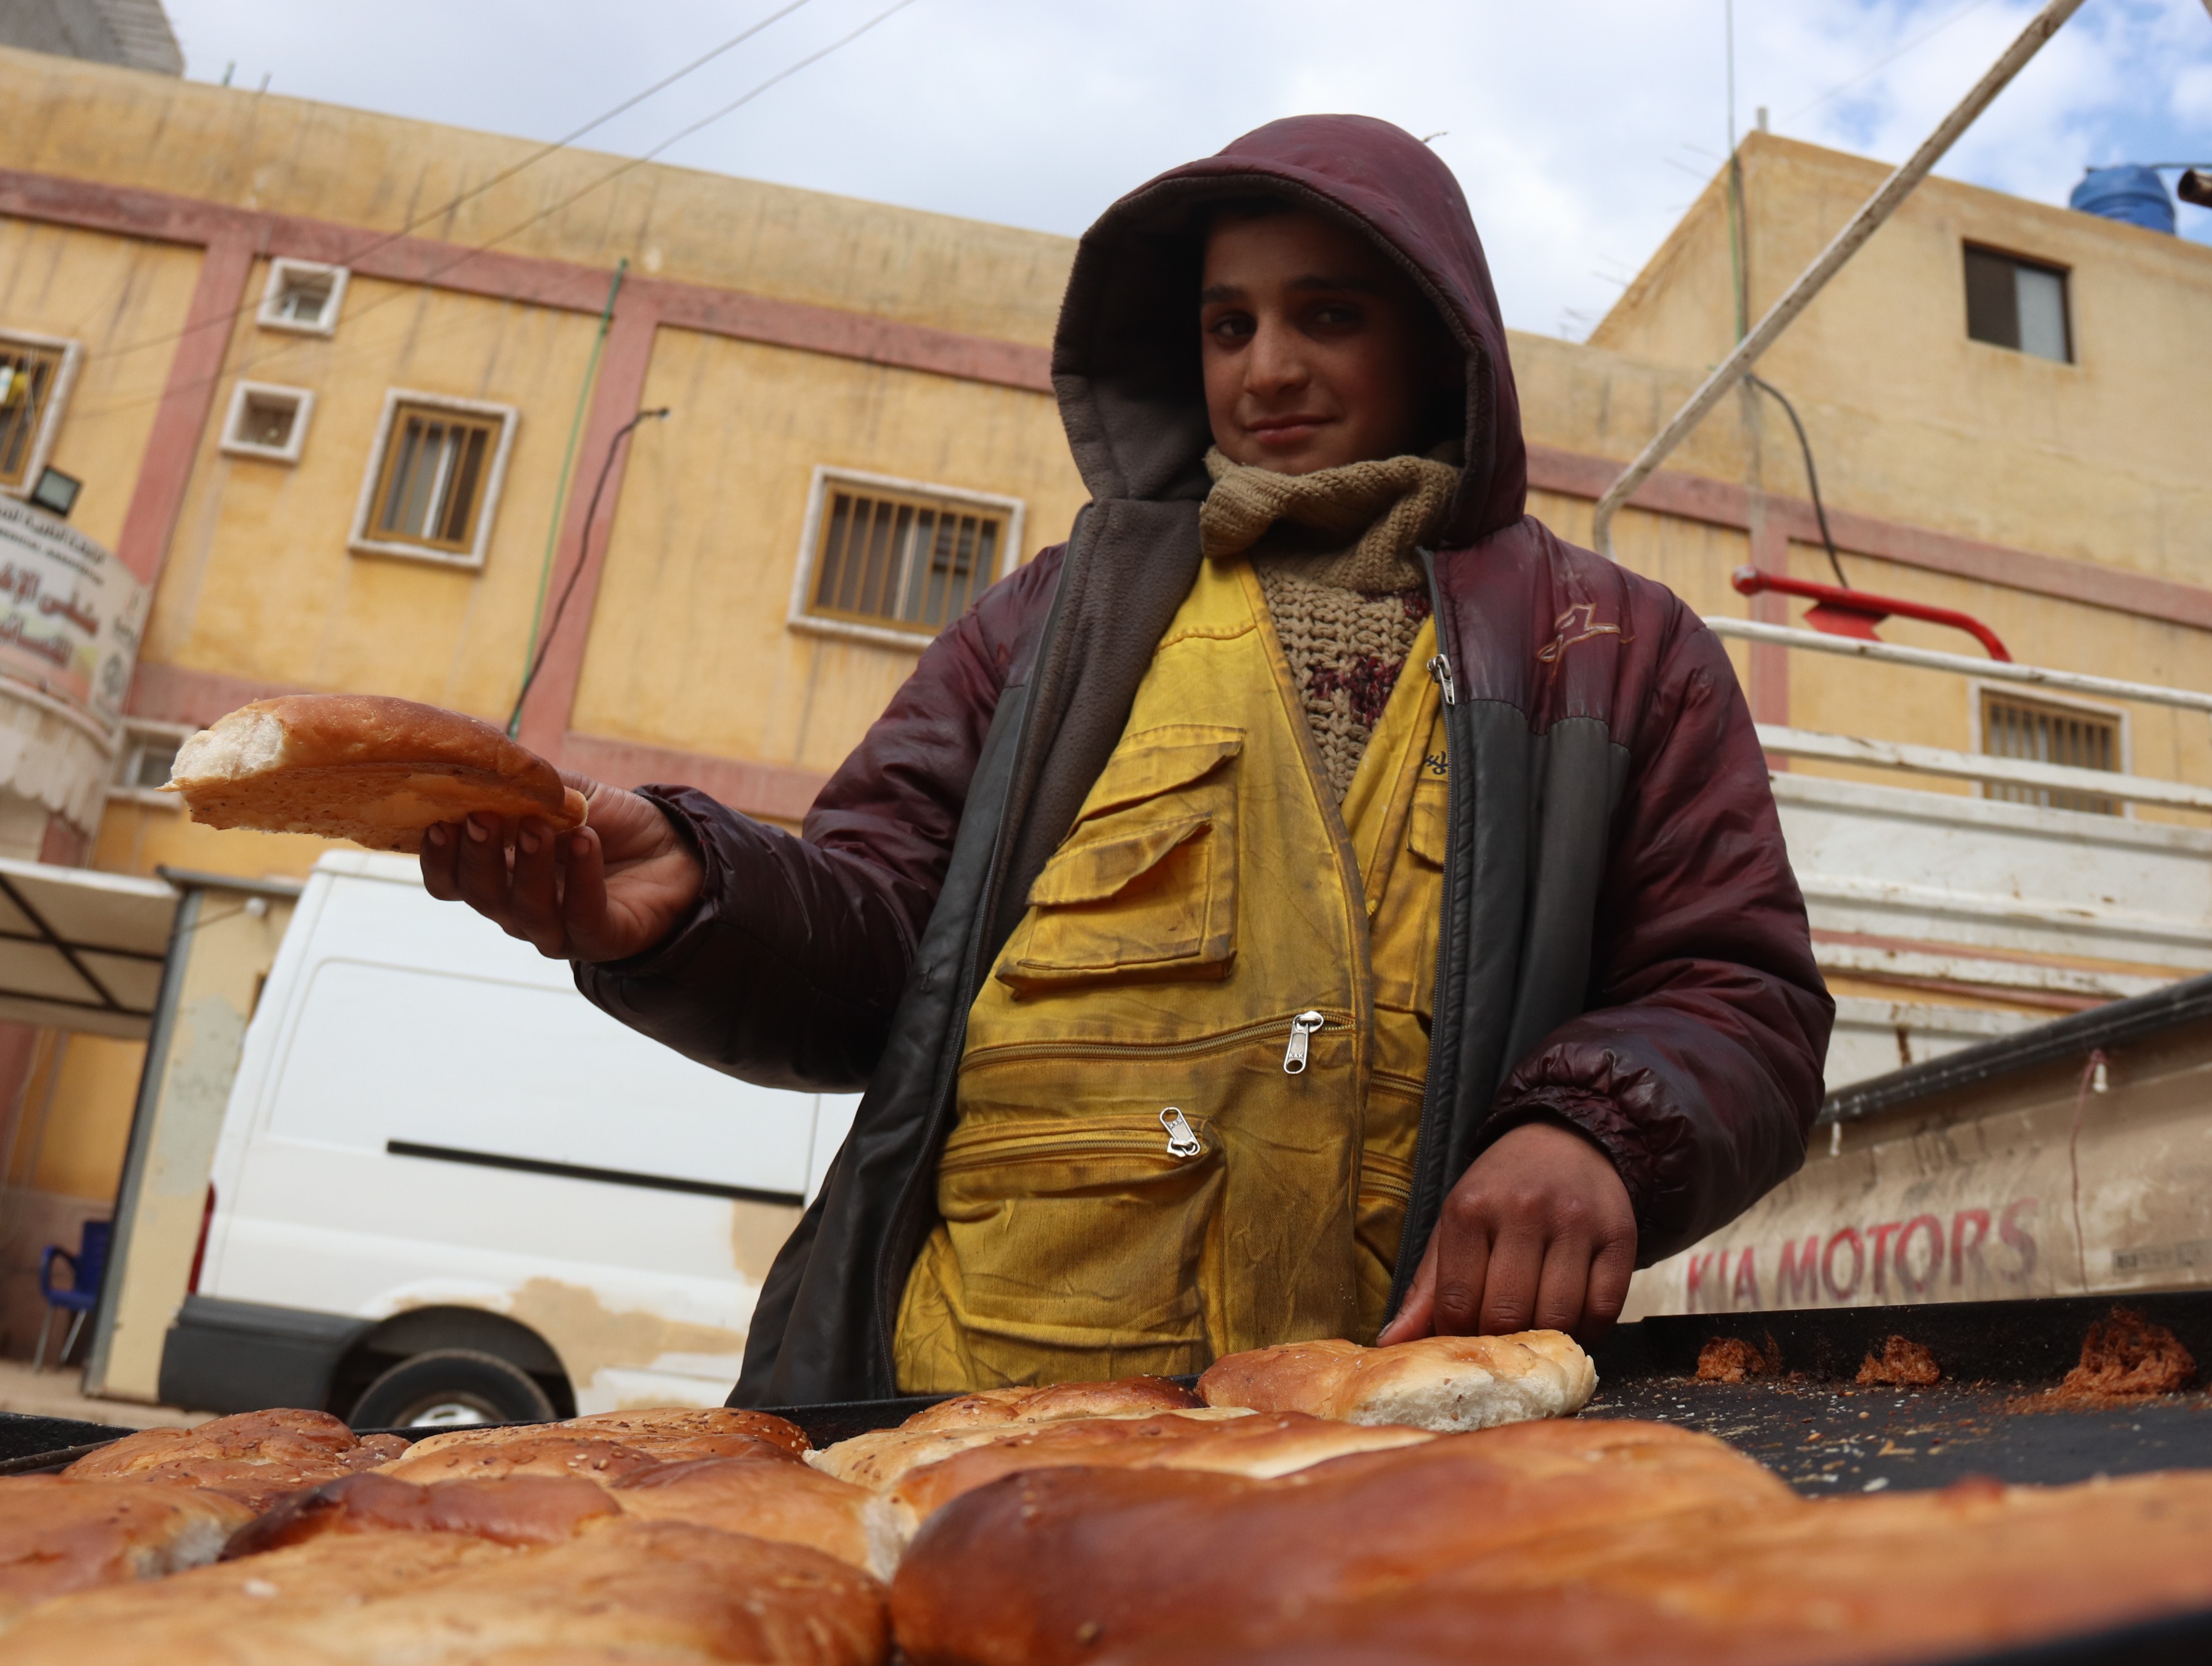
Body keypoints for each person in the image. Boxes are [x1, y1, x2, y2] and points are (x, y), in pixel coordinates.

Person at [425, 115, 1832, 1407]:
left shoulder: (1607, 648)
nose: (1265, 367)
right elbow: (883, 948)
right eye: (1228, 323)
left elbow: (1738, 990)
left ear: (1440, 339)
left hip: (1399, 1435)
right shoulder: (1049, 619)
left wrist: (1593, 1131)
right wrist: (699, 896)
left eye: (1325, 315)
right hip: (968, 1411)